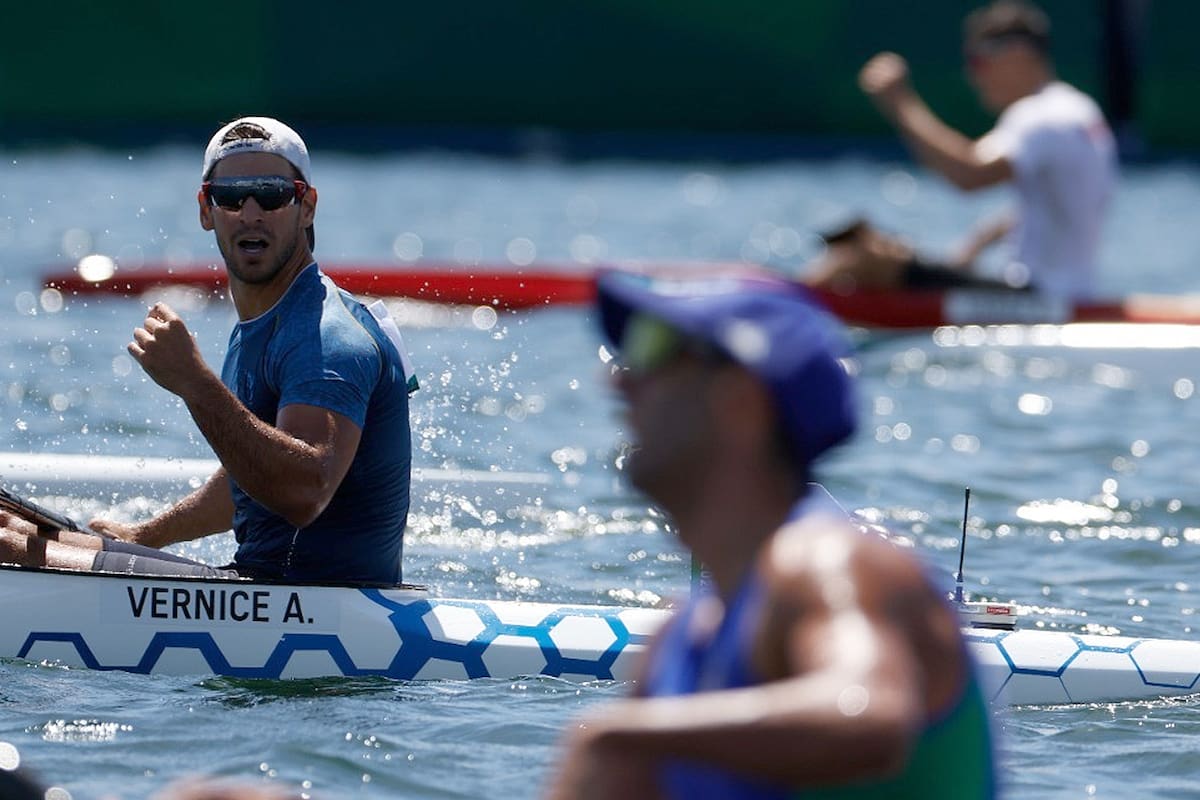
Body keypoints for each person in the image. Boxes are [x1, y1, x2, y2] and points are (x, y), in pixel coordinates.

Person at [544, 269, 995, 799]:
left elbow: (870, 712)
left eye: (656, 350)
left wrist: (618, 738)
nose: (618, 380)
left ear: (740, 403)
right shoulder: (676, 642)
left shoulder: (838, 566)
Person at [0, 116, 414, 585]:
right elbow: (252, 475)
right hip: (263, 587)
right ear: (205, 208)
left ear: (307, 207)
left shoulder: (327, 337)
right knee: (12, 526)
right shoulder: (269, 320)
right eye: (232, 197)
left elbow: (304, 492)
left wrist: (194, 384)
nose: (251, 213)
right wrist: (146, 534)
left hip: (314, 603)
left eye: (272, 194)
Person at [809, 0, 1116, 299]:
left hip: (1038, 298)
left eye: (977, 61)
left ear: (1018, 54)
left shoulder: (1040, 116)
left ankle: (783, 306)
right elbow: (1059, 200)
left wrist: (900, 103)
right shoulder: (1079, 111)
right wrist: (976, 244)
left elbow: (970, 174)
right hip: (1069, 290)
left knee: (862, 259)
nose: (973, 76)